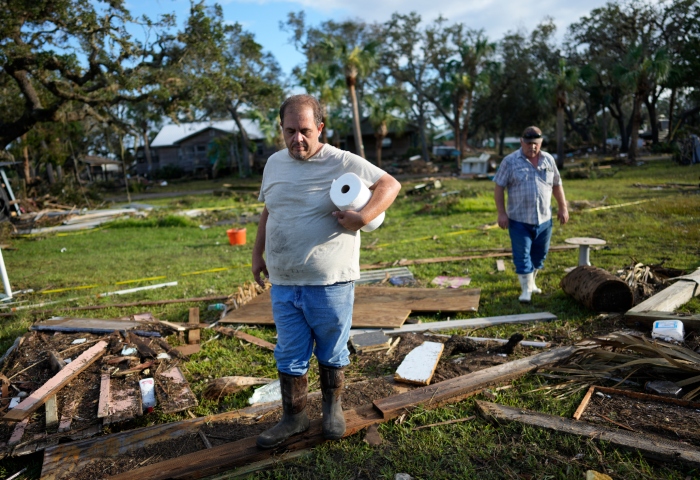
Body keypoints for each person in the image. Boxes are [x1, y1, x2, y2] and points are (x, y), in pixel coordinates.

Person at [252, 94, 401, 449]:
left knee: (332, 351)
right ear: (282, 129)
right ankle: (294, 417)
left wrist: (362, 217)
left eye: (305, 131)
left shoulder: (342, 161)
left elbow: (389, 185)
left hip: (329, 282)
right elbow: (268, 211)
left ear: (319, 128)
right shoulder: (273, 164)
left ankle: (332, 410)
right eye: (289, 131)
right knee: (289, 352)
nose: (297, 139)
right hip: (284, 281)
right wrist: (257, 255)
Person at [493, 126, 569, 302]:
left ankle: (532, 283)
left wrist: (563, 207)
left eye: (535, 144)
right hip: (519, 220)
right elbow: (499, 187)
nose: (532, 147)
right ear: (522, 142)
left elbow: (557, 184)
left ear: (541, 142)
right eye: (528, 143)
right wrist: (501, 213)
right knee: (522, 255)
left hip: (544, 219)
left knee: (539, 255)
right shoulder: (510, 161)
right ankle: (525, 290)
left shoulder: (548, 160)